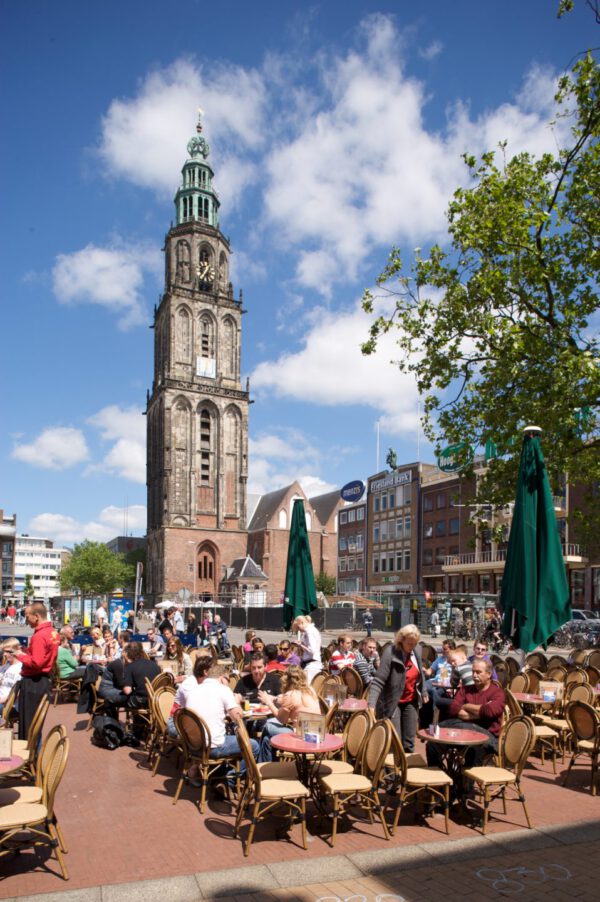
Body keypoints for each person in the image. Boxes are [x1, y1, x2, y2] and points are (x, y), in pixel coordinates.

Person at [173, 661, 259, 785]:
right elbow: (238, 717)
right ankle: (229, 780)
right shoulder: (222, 690)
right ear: (221, 678)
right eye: (227, 680)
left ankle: (217, 775)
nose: (228, 684)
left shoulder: (194, 690)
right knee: (254, 746)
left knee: (228, 737)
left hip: (192, 746)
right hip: (212, 748)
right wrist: (237, 701)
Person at [428, 658, 505, 769]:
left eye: (478, 672)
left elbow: (489, 711)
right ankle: (441, 780)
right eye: (473, 671)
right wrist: (479, 713)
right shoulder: (466, 689)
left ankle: (465, 785)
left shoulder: (497, 693)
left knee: (472, 750)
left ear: (489, 674)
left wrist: (465, 706)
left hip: (487, 736)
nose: (474, 675)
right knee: (432, 744)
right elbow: (454, 708)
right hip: (463, 732)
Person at [367, 624, 426, 753]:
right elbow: (378, 681)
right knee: (394, 740)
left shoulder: (417, 650)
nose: (412, 647)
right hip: (393, 701)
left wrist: (424, 690)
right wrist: (371, 704)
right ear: (401, 640)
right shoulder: (390, 653)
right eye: (409, 643)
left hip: (411, 700)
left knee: (409, 741)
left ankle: (407, 770)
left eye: (414, 643)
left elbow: (420, 672)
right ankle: (392, 772)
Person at [12, 602, 60, 740]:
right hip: (43, 681)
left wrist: (20, 655)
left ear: (36, 616)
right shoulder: (52, 632)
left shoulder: (39, 635)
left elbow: (37, 663)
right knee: (36, 724)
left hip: (33, 682)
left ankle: (30, 757)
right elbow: (45, 657)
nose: (26, 620)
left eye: (27, 616)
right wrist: (27, 651)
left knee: (29, 725)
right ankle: (34, 755)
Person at [257, 665, 321, 762]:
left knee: (267, 725)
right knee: (267, 740)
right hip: (315, 736)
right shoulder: (310, 690)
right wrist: (274, 698)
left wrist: (268, 702)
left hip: (301, 737)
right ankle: (269, 767)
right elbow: (289, 699)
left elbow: (282, 719)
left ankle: (261, 767)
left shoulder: (290, 695)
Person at [121, 642, 160, 710]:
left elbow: (127, 691)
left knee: (119, 699)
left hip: (142, 701)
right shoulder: (155, 665)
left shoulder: (130, 667)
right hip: (157, 700)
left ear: (128, 654)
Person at [293, 614, 322, 683]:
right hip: (313, 663)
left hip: (312, 664)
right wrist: (302, 644)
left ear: (302, 623)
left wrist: (301, 645)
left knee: (307, 688)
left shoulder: (309, 631)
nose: (299, 630)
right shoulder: (312, 630)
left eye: (298, 627)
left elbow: (312, 650)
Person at [0, 638, 23, 715]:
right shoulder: (5, 667)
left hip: (10, 706)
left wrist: (2, 700)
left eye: (8, 652)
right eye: (4, 652)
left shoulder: (21, 668)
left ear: (17, 651)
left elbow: (18, 692)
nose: (4, 654)